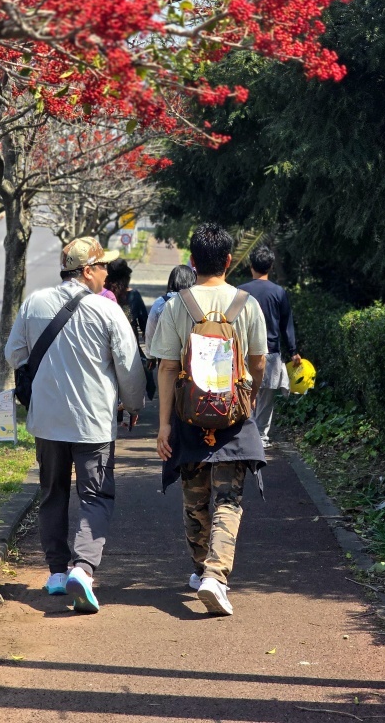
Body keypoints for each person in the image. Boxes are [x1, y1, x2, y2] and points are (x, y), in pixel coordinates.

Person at [5, 236, 145, 614]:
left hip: (47, 422)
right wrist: (133, 405)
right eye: (102, 267)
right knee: (96, 495)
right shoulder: (107, 311)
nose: (106, 273)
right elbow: (130, 369)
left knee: (52, 492)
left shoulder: (34, 303)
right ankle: (82, 568)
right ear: (87, 271)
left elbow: (13, 353)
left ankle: (54, 572)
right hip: (93, 423)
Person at [151, 222, 267, 617]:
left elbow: (166, 367)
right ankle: (216, 575)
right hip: (232, 417)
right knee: (229, 499)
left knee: (195, 500)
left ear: (192, 260)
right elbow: (258, 360)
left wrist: (164, 424)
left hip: (189, 416)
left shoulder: (176, 305)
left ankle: (202, 570)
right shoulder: (245, 303)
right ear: (230, 261)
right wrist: (248, 396)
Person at [239, 245, 301, 449]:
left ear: (251, 266)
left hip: (244, 353)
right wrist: (293, 351)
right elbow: (286, 324)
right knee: (265, 398)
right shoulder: (278, 292)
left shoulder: (241, 292)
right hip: (271, 353)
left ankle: (243, 433)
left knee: (244, 393)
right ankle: (261, 437)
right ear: (271, 266)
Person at [106, 257, 154, 399]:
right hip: (130, 349)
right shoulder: (133, 296)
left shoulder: (102, 296)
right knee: (145, 371)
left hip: (105, 349)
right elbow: (146, 326)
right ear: (127, 277)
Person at [144, 264, 196, 358]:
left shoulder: (161, 302)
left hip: (166, 356)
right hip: (191, 355)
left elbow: (150, 330)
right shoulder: (196, 302)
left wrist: (150, 356)